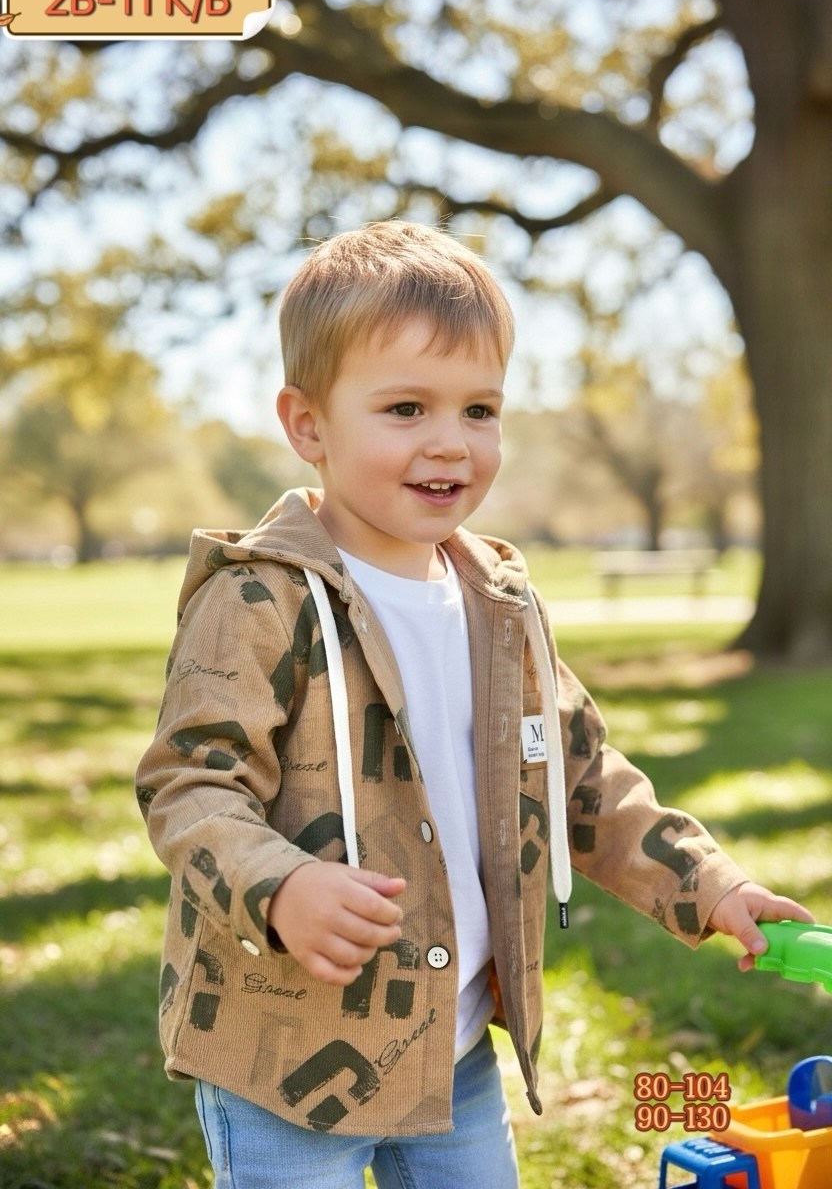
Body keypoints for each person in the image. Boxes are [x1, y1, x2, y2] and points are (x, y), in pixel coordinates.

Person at [136, 221, 812, 1189]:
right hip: (286, 1061)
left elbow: (585, 779)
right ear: (309, 426)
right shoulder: (260, 599)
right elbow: (188, 783)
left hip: (449, 1048)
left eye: (480, 409)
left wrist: (709, 885)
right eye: (406, 407)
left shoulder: (499, 603)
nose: (450, 442)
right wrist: (278, 887)